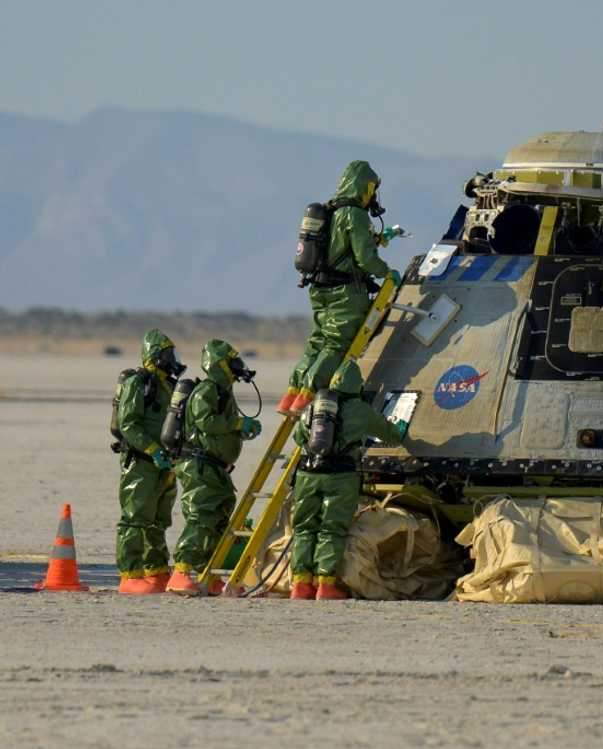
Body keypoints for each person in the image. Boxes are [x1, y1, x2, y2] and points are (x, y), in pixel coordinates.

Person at [278, 160, 402, 415]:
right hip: (345, 295)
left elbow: (341, 250)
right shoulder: (355, 215)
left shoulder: (331, 212)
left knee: (317, 342)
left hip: (319, 290)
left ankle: (291, 394)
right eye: (371, 189)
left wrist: (380, 238)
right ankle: (306, 397)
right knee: (336, 345)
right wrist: (388, 274)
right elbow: (365, 259)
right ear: (364, 186)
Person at [289, 359, 405, 600]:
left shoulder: (314, 406)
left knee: (304, 528)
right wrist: (400, 427)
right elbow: (391, 435)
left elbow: (299, 437)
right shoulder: (359, 409)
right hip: (339, 477)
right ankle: (325, 585)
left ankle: (300, 585)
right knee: (331, 528)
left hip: (307, 474)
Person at [167, 339, 262, 596]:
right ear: (219, 364)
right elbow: (205, 421)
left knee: (219, 520)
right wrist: (236, 424)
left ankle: (211, 575)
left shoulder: (222, 392)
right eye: (231, 362)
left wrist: (240, 432)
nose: (236, 366)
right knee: (202, 515)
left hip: (216, 467)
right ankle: (181, 571)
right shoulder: (207, 390)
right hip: (200, 465)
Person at [114, 330, 186, 594]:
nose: (171, 360)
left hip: (164, 465)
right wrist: (153, 449)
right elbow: (128, 423)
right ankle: (130, 574)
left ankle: (155, 570)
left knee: (158, 520)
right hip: (142, 463)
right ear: (155, 356)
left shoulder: (167, 385)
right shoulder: (139, 383)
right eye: (167, 354)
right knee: (135, 517)